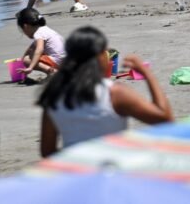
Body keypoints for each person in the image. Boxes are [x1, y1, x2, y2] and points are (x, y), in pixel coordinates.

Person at [38, 27, 171, 156]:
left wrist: (78, 157)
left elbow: (47, 151)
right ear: (100, 56)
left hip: (75, 172)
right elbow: (164, 118)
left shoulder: (53, 94)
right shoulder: (114, 93)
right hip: (112, 170)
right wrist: (147, 73)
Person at [16, 8, 65, 79]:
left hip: (57, 61)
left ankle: (52, 71)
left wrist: (30, 67)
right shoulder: (45, 29)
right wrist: (21, 59)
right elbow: (31, 48)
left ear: (25, 26)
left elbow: (39, 49)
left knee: (27, 60)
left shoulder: (38, 33)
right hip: (66, 61)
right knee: (30, 54)